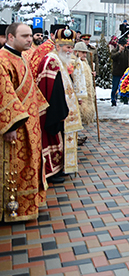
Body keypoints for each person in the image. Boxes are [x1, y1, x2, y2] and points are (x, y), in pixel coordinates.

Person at [0, 23, 50, 222]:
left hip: (29, 126)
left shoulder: (21, 58)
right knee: (14, 166)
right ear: (11, 37)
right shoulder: (3, 60)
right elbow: (4, 94)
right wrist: (10, 125)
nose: (30, 39)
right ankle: (12, 207)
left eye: (30, 35)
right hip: (15, 128)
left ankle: (28, 204)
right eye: (24, 36)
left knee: (29, 164)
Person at [36, 27, 83, 183]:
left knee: (60, 140)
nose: (70, 50)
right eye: (67, 47)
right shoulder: (50, 60)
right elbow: (50, 88)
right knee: (52, 139)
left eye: (71, 47)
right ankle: (51, 172)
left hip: (61, 108)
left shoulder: (60, 60)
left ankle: (58, 169)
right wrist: (59, 110)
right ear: (58, 46)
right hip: (52, 109)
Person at [70, 42, 96, 144]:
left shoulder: (84, 62)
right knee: (76, 116)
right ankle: (74, 138)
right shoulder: (73, 62)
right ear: (76, 52)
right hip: (77, 94)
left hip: (86, 93)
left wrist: (91, 74)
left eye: (85, 53)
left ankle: (76, 136)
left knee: (81, 117)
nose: (85, 55)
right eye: (82, 52)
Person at [110, 38, 129, 106]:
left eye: (124, 45)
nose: (123, 46)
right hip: (117, 73)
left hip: (125, 73)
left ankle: (125, 99)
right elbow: (113, 57)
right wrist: (119, 52)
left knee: (125, 86)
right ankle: (113, 100)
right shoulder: (114, 50)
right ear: (118, 44)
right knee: (115, 87)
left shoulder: (127, 51)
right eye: (121, 45)